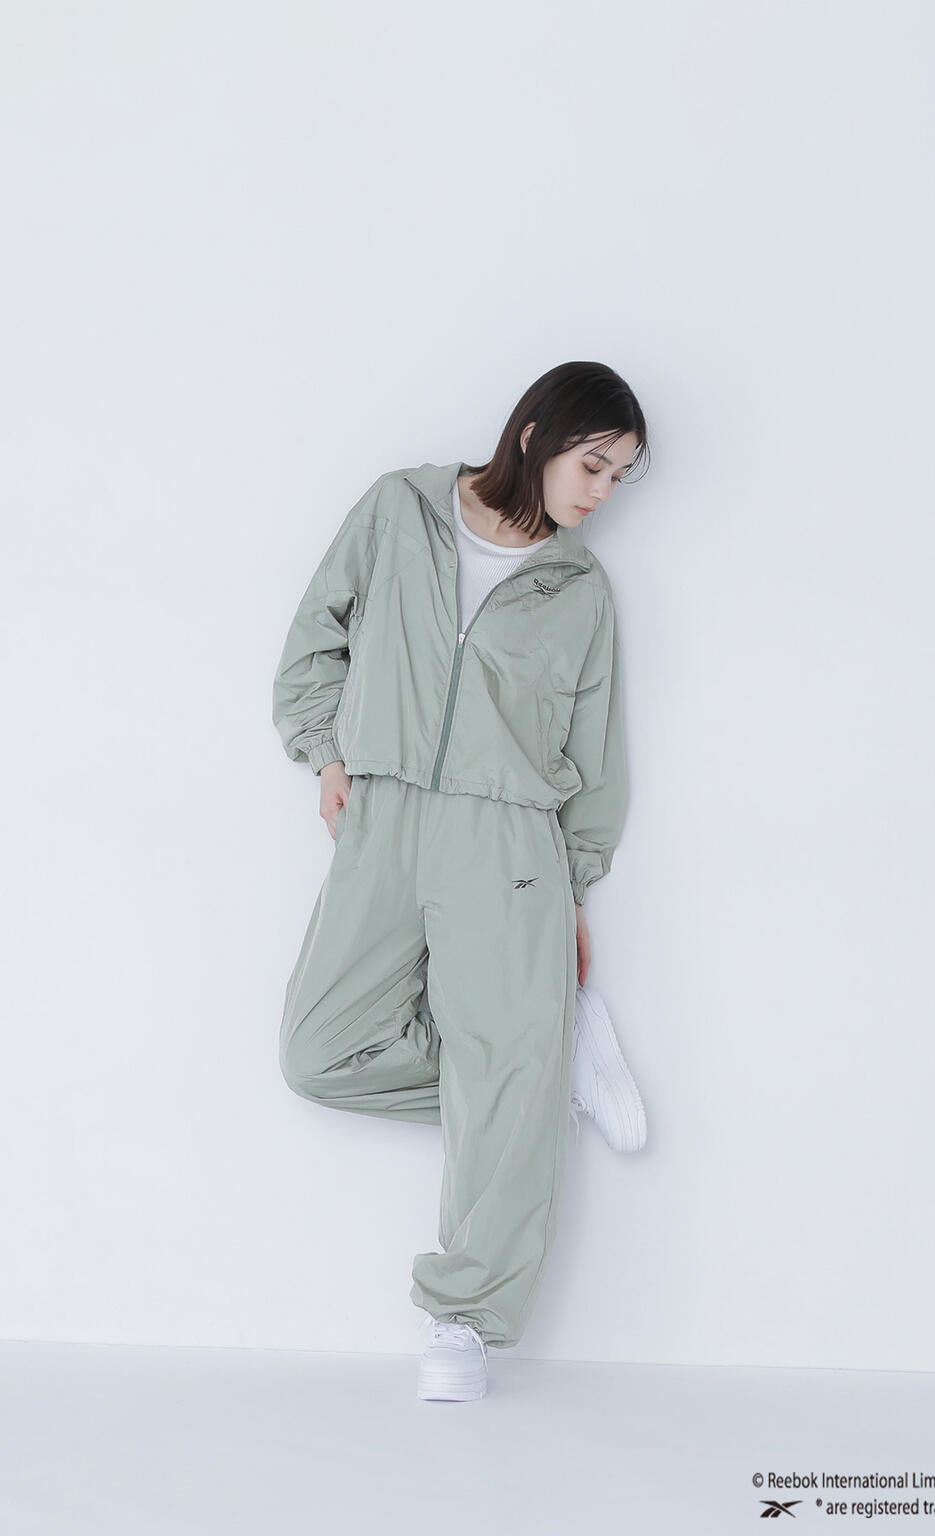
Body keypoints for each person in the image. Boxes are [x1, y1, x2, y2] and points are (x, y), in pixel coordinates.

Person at [271, 360, 648, 1402]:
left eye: (620, 476)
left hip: (512, 844)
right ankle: (533, 1085)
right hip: (384, 813)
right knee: (316, 1051)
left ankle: (464, 1317)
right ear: (533, 433)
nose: (602, 492)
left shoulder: (578, 590)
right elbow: (313, 643)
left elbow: (595, 752)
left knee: (507, 1070)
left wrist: (573, 885)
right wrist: (325, 749)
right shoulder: (399, 508)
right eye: (593, 464)